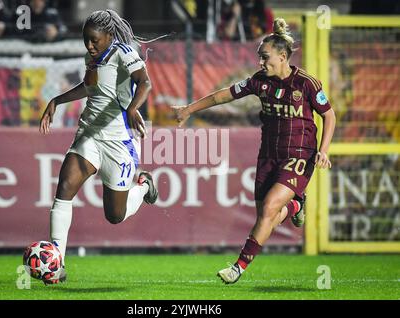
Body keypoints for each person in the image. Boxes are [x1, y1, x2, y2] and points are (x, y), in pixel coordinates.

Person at [172, 18, 336, 284]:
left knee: (270, 207)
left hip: (299, 156)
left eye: (265, 58)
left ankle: (237, 268)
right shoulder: (259, 81)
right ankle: (295, 205)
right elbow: (222, 95)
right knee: (266, 215)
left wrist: (324, 150)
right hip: (268, 156)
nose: (261, 63)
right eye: (260, 58)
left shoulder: (306, 83)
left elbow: (330, 116)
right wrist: (188, 110)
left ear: (282, 57)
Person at [39, 9, 158, 284]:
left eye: (94, 40)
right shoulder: (91, 58)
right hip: (90, 134)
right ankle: (56, 264)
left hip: (118, 142)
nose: (89, 46)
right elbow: (90, 87)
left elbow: (145, 82)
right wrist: (56, 100)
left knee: (115, 216)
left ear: (109, 35)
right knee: (64, 188)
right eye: (85, 40)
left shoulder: (124, 52)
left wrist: (131, 108)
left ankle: (143, 186)